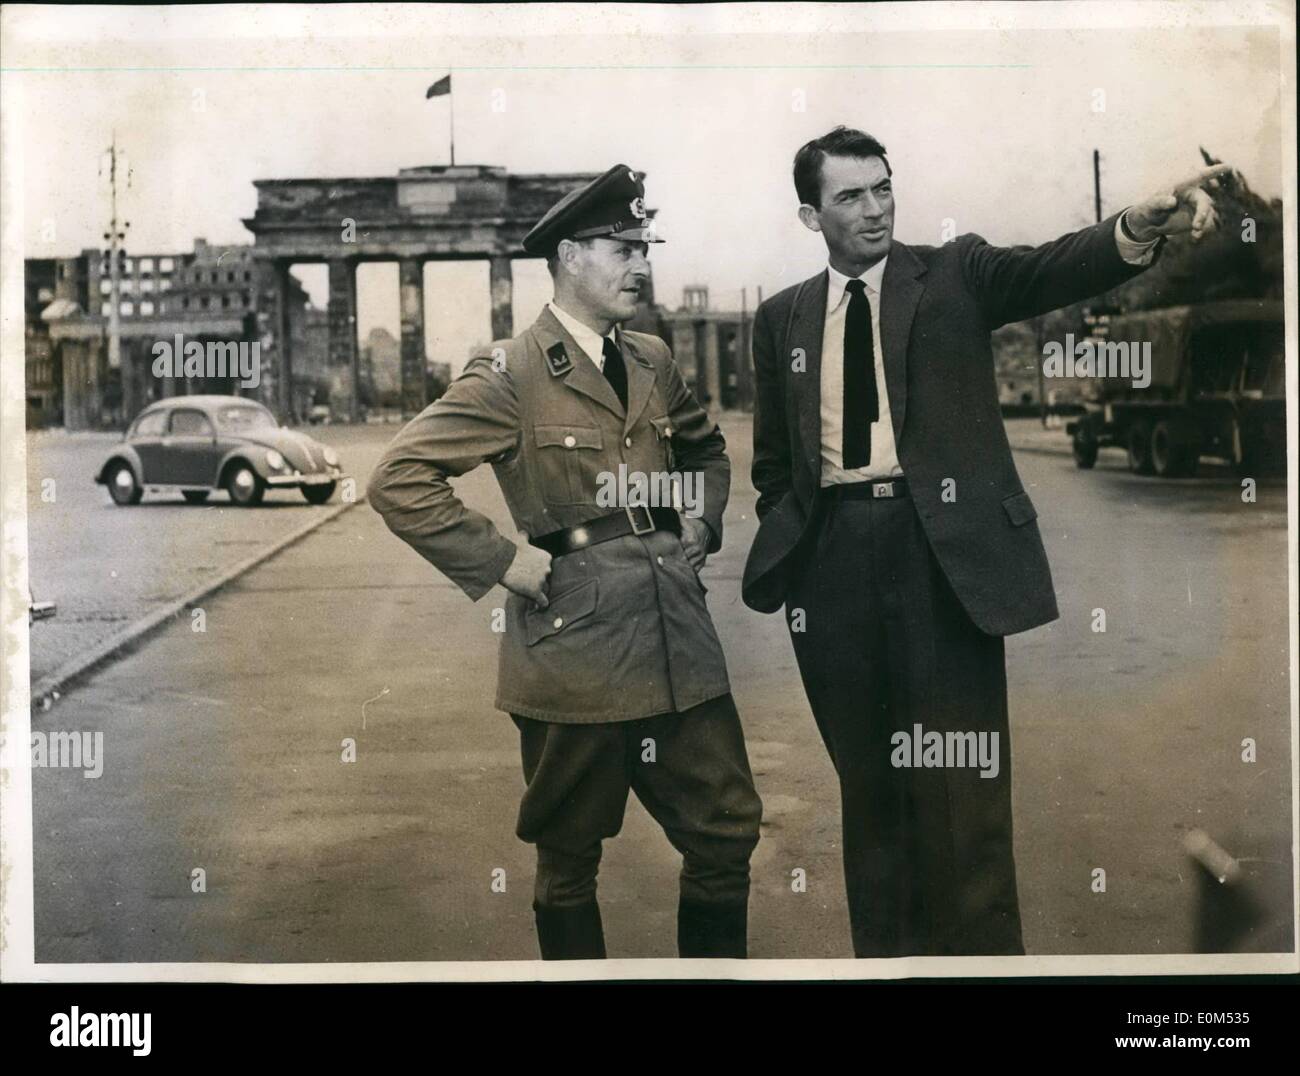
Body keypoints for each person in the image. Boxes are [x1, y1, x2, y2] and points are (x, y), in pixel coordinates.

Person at [743, 126, 1228, 956]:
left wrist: (1135, 227)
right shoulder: (781, 318)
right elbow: (775, 465)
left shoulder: (956, 274)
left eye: (883, 187)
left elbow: (1055, 265)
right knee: (871, 794)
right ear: (808, 215)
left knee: (961, 794)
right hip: (833, 574)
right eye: (850, 196)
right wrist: (799, 550)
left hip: (940, 560)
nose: (874, 208)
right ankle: (888, 972)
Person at [369, 164, 762, 960]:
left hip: (678, 643)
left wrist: (702, 516)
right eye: (623, 248)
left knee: (725, 835)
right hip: (574, 652)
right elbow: (397, 480)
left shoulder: (651, 357)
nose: (642, 265)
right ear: (571, 256)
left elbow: (707, 450)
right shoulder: (510, 372)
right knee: (570, 859)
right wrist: (502, 561)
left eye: (645, 246)